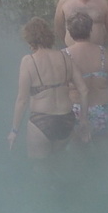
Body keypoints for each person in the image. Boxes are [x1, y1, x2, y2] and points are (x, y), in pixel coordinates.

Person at [10, 17, 88, 158]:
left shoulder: (28, 61)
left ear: (30, 39)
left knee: (40, 167)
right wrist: (83, 120)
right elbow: (84, 90)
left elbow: (22, 100)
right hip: (66, 120)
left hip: (42, 120)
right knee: (57, 162)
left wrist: (14, 131)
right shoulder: (65, 57)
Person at [63, 11, 108, 142]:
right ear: (91, 30)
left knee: (78, 151)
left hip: (77, 110)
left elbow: (58, 88)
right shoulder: (104, 53)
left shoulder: (64, 55)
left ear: (69, 31)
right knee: (103, 148)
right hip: (103, 108)